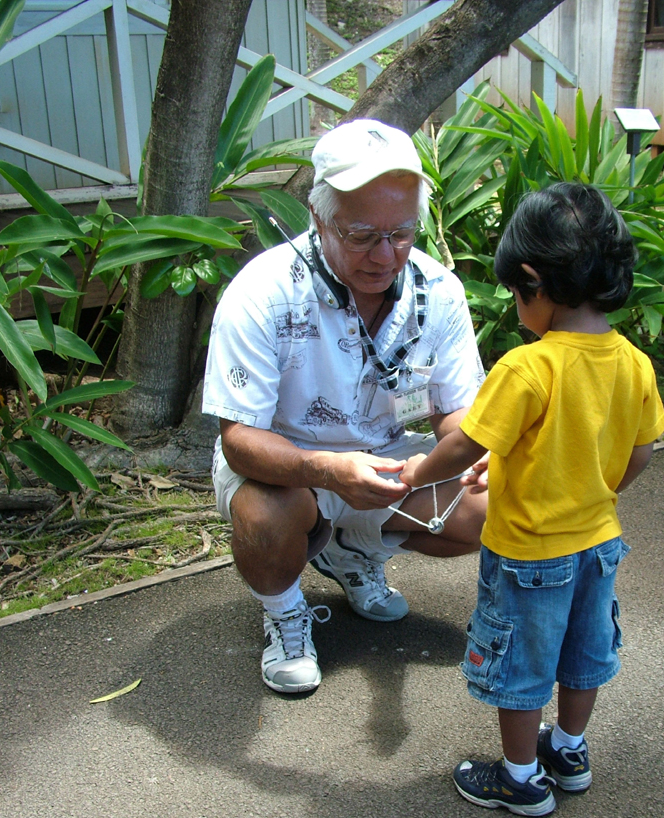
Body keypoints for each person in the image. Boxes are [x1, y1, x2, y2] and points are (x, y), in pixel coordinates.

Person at [400, 182, 664, 817]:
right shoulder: (633, 362)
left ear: (533, 282)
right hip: (598, 545)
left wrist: (417, 474)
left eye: (514, 291)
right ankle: (569, 751)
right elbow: (639, 451)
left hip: (527, 554)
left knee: (520, 663)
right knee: (583, 654)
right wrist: (595, 492)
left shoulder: (528, 367)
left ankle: (520, 779)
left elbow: (464, 444)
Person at [202, 119, 487, 694]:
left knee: (498, 504)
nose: (385, 255)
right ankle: (284, 610)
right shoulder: (262, 292)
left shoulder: (439, 291)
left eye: (402, 233)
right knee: (265, 518)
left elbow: (455, 411)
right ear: (318, 217)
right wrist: (328, 470)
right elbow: (239, 440)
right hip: (288, 466)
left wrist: (481, 450)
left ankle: (350, 550)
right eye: (361, 235)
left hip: (390, 460)